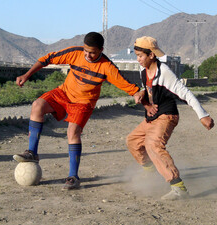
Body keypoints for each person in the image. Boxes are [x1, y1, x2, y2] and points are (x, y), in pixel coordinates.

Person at [13, 32, 143, 190]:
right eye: (86, 51)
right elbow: (46, 59)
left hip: (84, 102)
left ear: (101, 50)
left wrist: (139, 95)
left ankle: (73, 176)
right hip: (64, 93)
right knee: (37, 105)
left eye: (92, 52)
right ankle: (32, 153)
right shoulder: (75, 53)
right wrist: (26, 75)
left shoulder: (106, 66)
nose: (88, 55)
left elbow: (126, 84)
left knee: (72, 132)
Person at [126, 36, 214, 200]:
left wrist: (203, 115)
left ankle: (178, 187)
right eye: (136, 55)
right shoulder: (143, 72)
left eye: (140, 56)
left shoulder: (165, 72)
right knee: (133, 141)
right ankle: (150, 171)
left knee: (153, 145)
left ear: (151, 55)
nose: (138, 59)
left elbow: (185, 93)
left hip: (167, 115)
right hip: (153, 116)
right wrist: (141, 94)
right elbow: (148, 89)